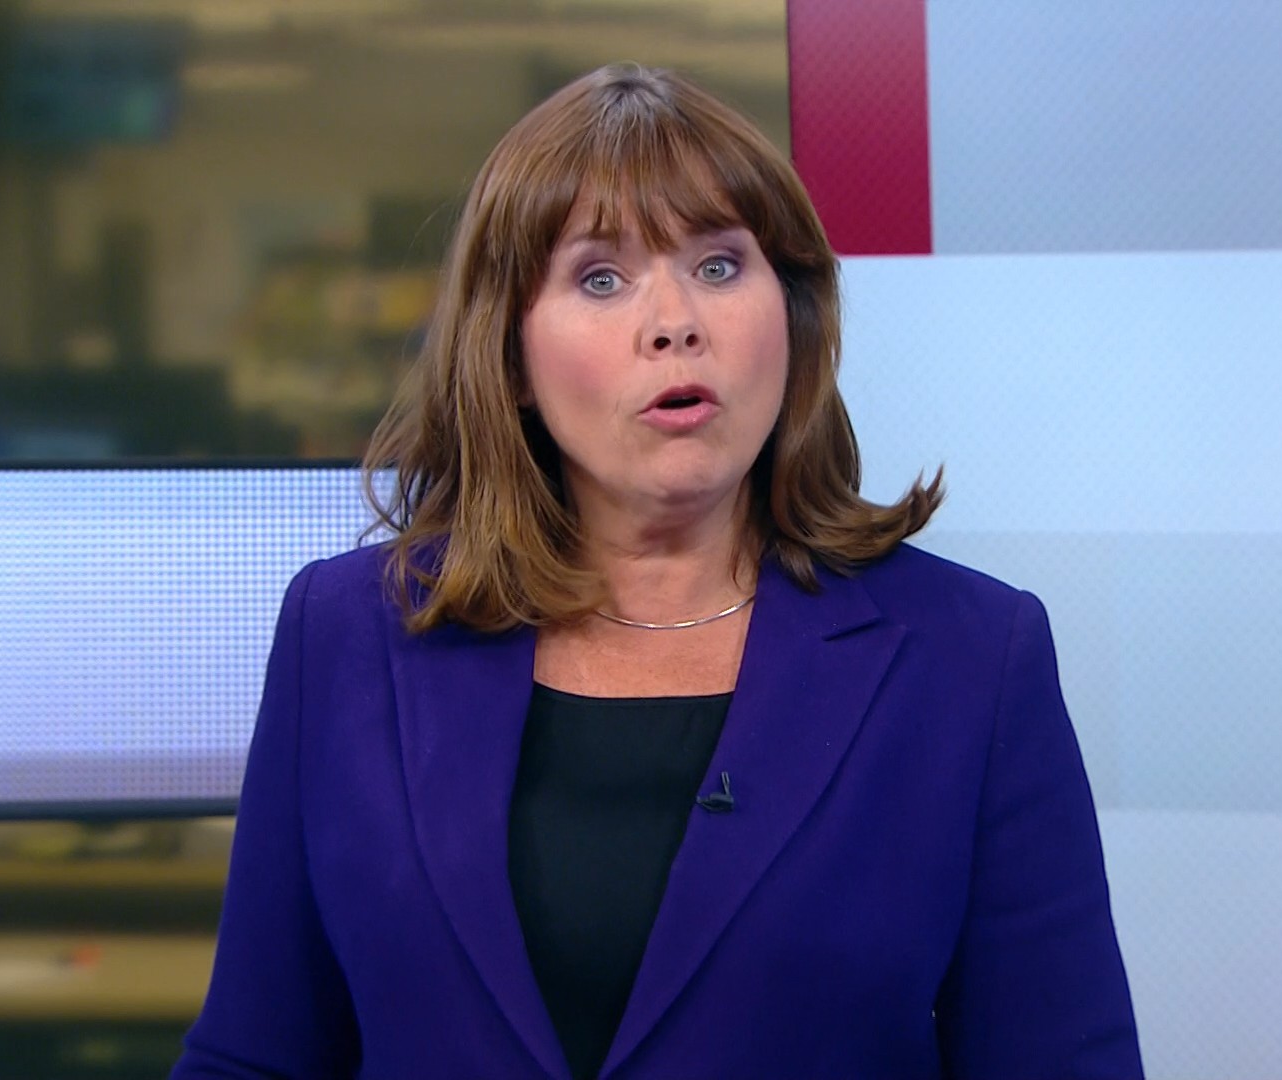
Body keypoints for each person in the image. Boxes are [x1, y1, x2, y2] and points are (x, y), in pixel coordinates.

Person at [171, 63, 1142, 1080]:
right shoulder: (346, 634)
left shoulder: (969, 659)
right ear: (510, 355)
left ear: (793, 318)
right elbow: (255, 1056)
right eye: (601, 278)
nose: (675, 321)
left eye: (720, 266)